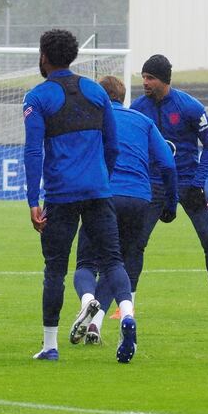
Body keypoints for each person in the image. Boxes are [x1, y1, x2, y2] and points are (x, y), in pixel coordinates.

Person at [23, 29, 136, 363]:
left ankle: (50, 345)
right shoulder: (97, 92)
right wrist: (103, 177)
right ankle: (127, 314)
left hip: (61, 195)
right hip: (99, 191)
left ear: (44, 56)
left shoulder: (38, 98)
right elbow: (112, 145)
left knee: (55, 270)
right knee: (113, 260)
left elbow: (33, 153)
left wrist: (32, 201)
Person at [71, 76, 178, 344]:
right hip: (139, 200)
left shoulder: (93, 119)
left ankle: (88, 300)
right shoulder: (143, 121)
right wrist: (171, 202)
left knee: (86, 263)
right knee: (115, 263)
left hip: (103, 196)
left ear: (100, 97)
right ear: (122, 96)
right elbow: (168, 164)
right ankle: (99, 324)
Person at [131, 54, 208, 318]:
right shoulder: (138, 108)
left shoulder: (190, 106)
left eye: (150, 78)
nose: (145, 82)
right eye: (143, 77)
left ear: (164, 80)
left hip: (189, 184)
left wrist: (199, 183)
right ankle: (126, 304)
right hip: (155, 185)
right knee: (136, 242)